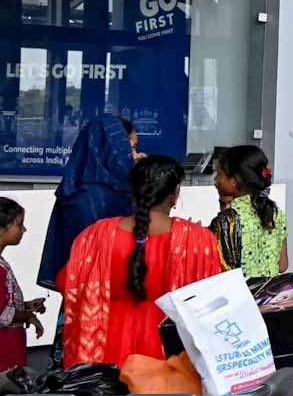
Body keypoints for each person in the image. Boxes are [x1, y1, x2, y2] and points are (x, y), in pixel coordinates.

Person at [57, 155, 224, 368]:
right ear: (174, 195)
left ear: (133, 193)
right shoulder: (198, 240)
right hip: (169, 356)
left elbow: (67, 284)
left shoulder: (96, 235)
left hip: (103, 351)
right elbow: (211, 302)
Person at [37, 115, 139, 296]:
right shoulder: (88, 199)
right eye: (131, 148)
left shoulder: (117, 191)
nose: (135, 156)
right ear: (113, 148)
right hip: (92, 299)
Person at [209, 145, 288, 279]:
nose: (215, 181)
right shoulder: (276, 213)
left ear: (234, 182)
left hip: (241, 291)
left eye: (219, 175)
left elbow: (220, 269)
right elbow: (282, 266)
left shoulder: (228, 221)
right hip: (269, 290)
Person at [0, 198, 47, 373]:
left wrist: (26, 305)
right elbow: (2, 315)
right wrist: (27, 315)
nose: (24, 230)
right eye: (19, 225)